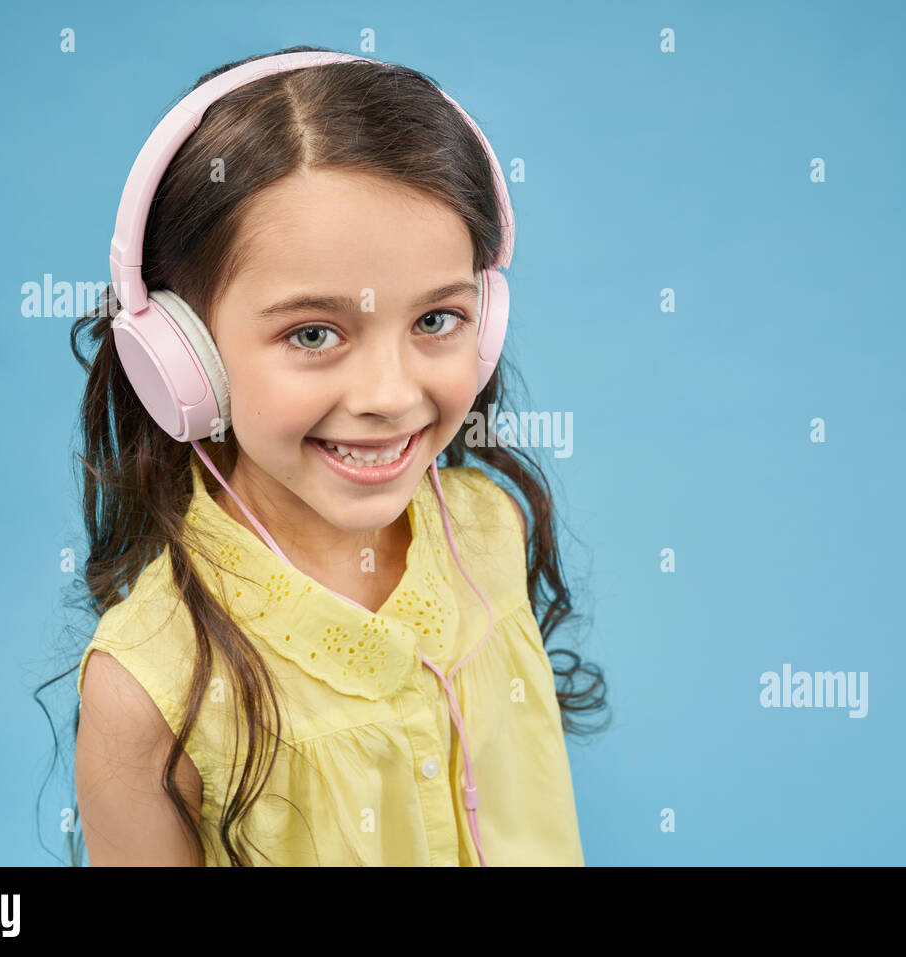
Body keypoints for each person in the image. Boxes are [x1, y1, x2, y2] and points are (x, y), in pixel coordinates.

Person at [67, 45, 607, 866]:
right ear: (184, 358)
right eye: (313, 334)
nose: (389, 394)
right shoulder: (148, 687)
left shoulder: (487, 529)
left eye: (436, 320)